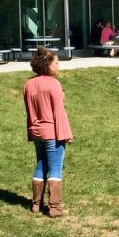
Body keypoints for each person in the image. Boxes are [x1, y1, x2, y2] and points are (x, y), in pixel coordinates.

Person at [24, 47, 73, 217]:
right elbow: (59, 112)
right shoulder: (53, 84)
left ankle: (36, 204)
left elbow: (29, 111)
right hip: (52, 131)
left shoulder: (29, 84)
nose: (58, 66)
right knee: (55, 167)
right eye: (57, 63)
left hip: (37, 131)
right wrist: (66, 133)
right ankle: (55, 207)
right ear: (48, 65)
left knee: (41, 164)